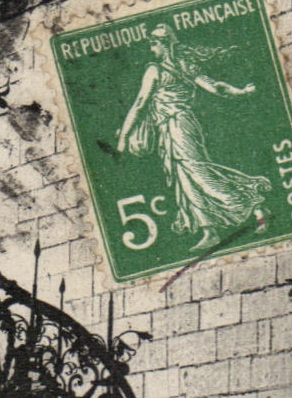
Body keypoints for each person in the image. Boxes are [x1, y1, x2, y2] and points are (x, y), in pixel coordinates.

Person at [116, 24, 271, 251]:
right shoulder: (185, 66)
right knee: (186, 178)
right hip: (175, 127)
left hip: (177, 125)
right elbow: (215, 87)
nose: (152, 50)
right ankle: (210, 231)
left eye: (153, 44)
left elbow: (140, 104)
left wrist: (124, 137)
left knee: (198, 173)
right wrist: (240, 92)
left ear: (163, 44)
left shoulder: (155, 71)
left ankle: (254, 203)